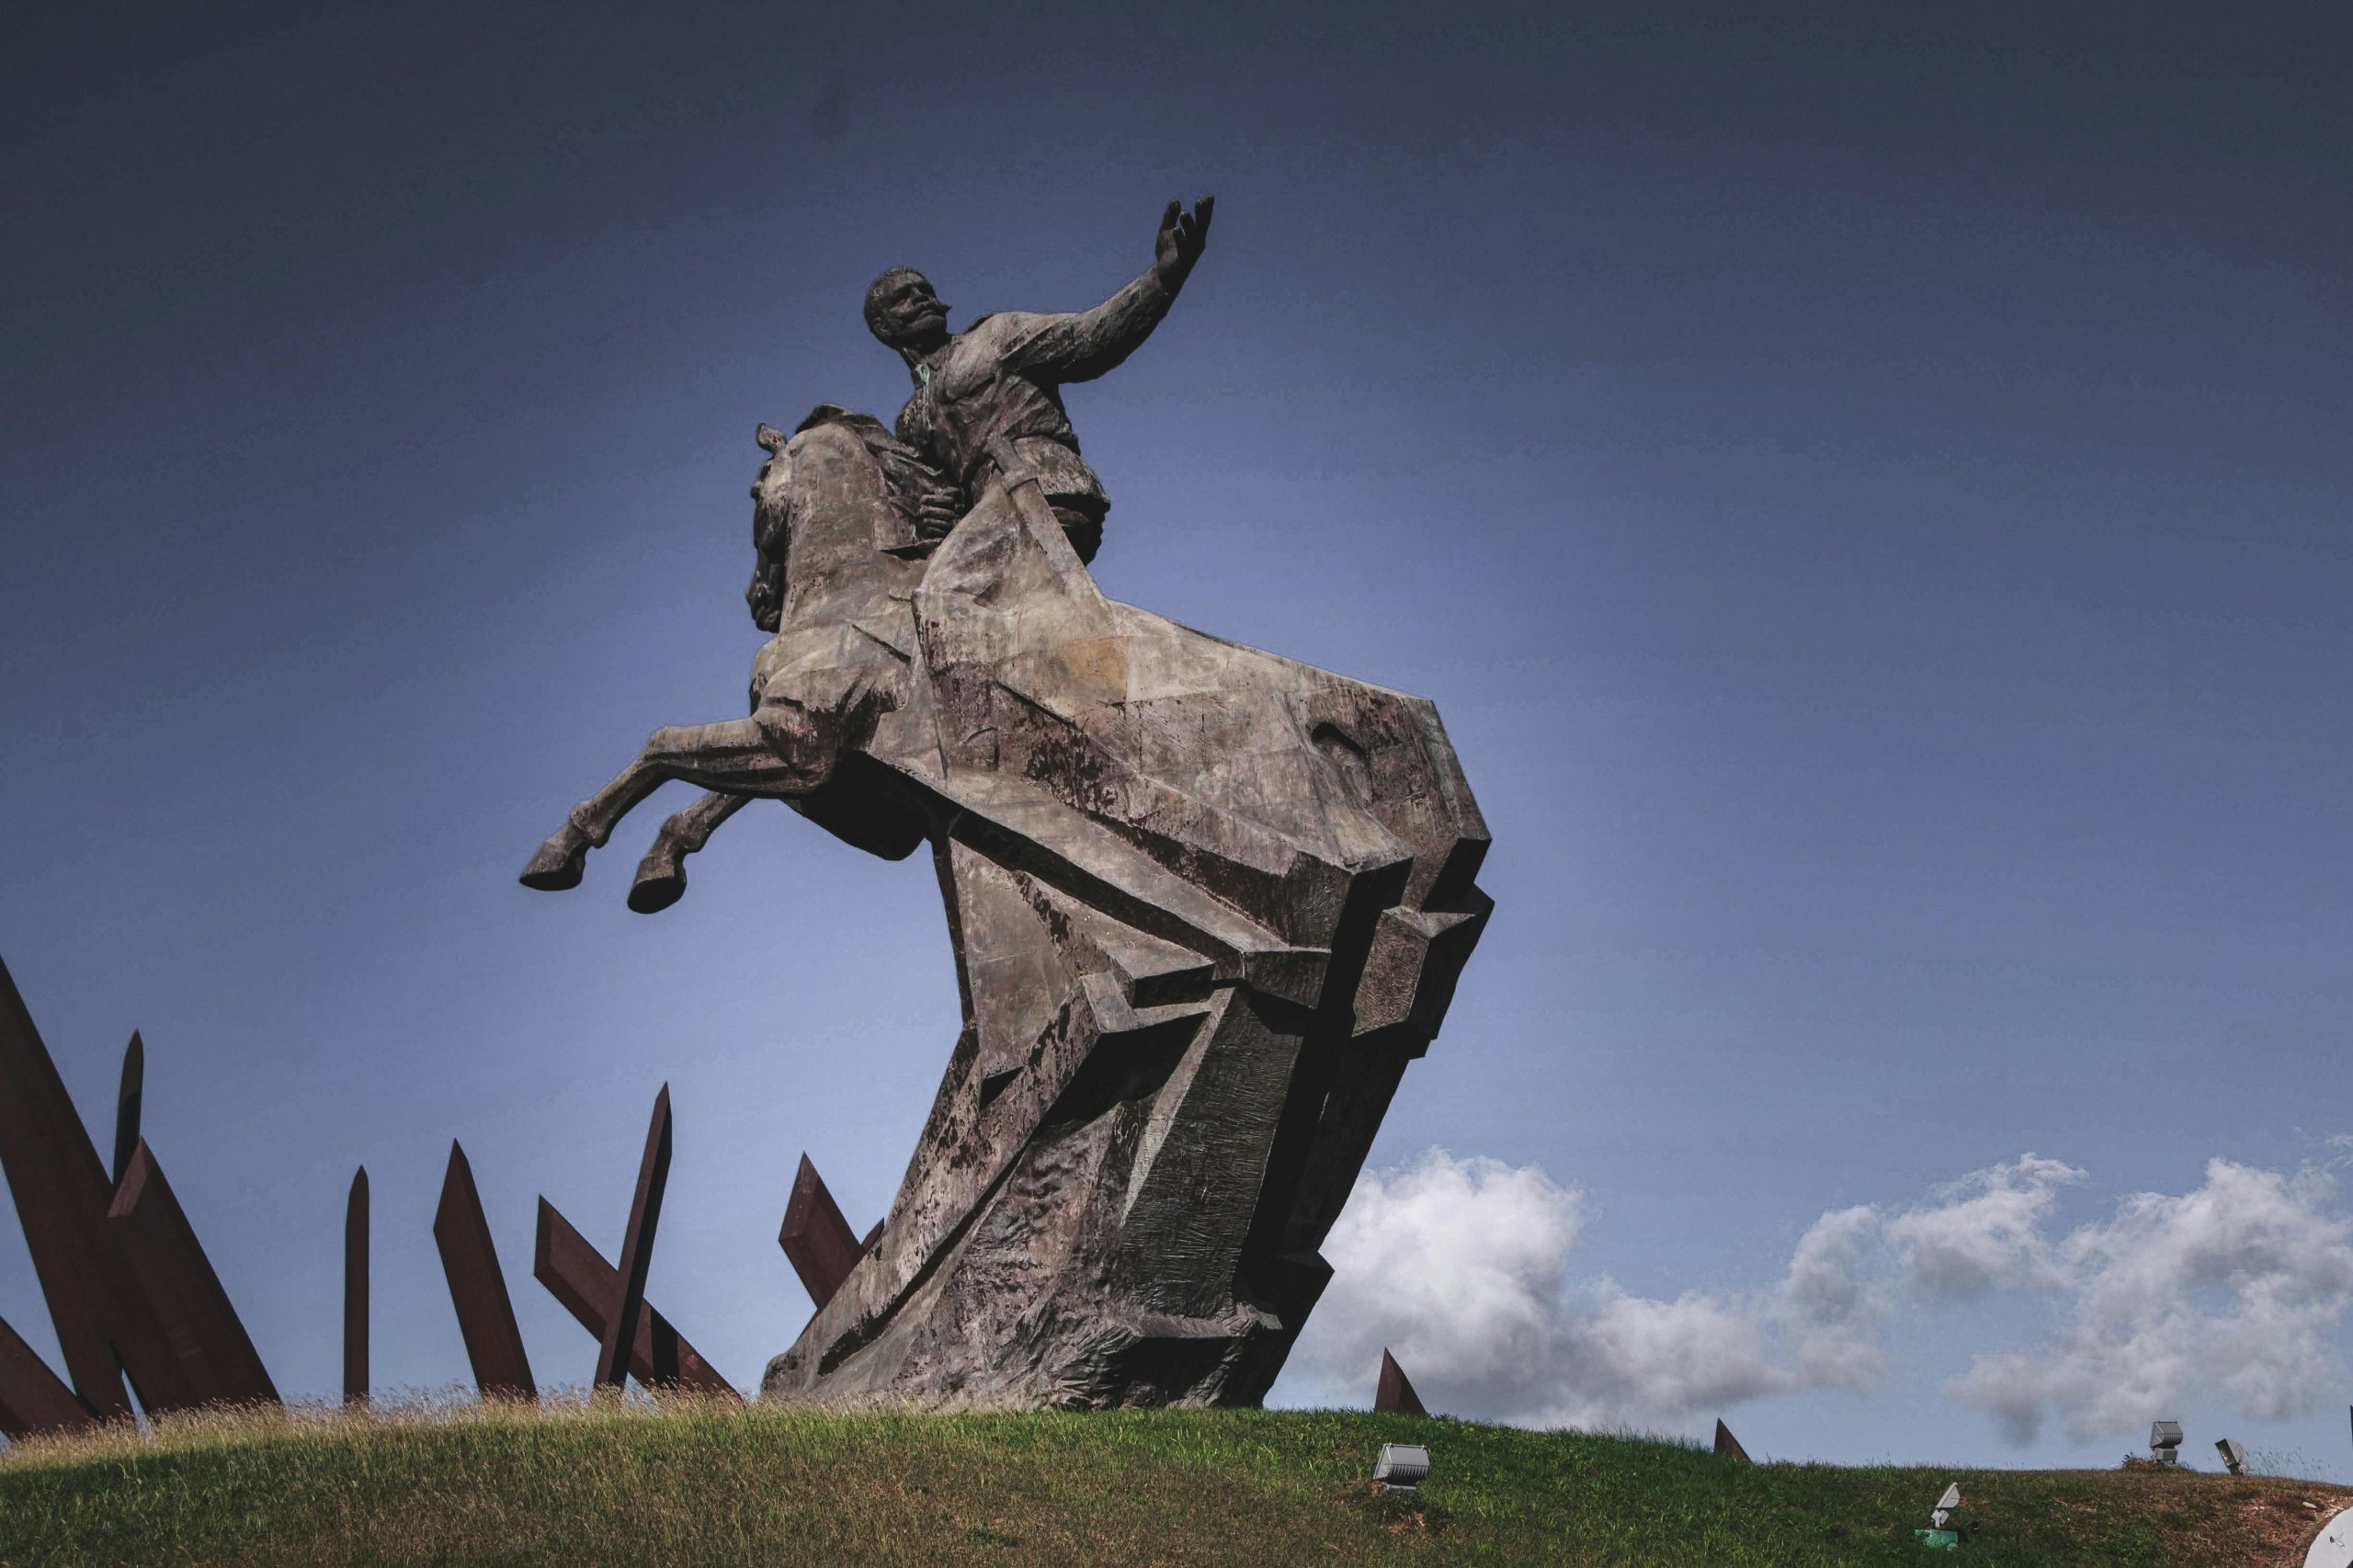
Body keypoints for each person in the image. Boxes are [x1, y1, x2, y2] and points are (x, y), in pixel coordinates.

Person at [863, 197, 1213, 563]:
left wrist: (1162, 279)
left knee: (944, 592)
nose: (921, 298)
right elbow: (935, 491)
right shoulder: (910, 420)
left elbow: (1087, 339)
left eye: (926, 291)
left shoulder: (994, 336)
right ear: (884, 327)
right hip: (982, 516)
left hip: (1046, 488)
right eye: (904, 298)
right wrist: (934, 513)